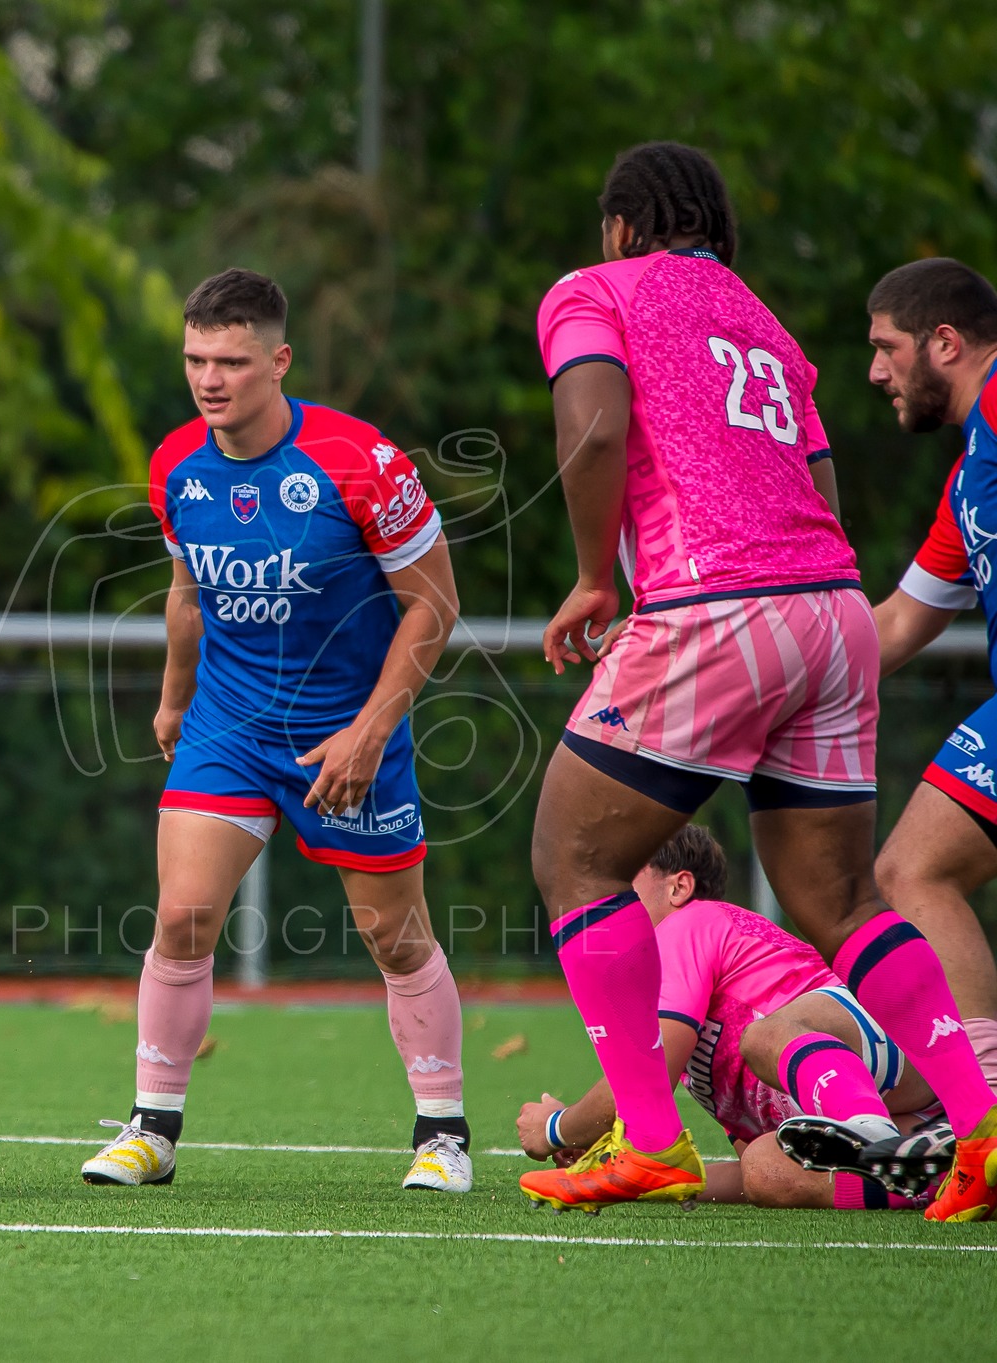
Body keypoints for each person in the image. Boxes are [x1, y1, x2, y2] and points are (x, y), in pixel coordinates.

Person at [521, 140, 997, 1221]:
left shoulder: (593, 288)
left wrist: (594, 578)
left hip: (713, 599)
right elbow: (817, 479)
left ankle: (652, 1143)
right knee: (840, 900)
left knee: (574, 859)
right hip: (832, 607)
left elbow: (593, 426)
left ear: (620, 226)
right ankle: (980, 1127)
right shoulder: (760, 320)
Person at [79, 267, 468, 1193]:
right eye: (195, 360)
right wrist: (174, 700)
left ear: (280, 360)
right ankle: (152, 1128)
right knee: (182, 915)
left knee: (395, 937)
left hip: (347, 731)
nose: (210, 380)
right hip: (229, 723)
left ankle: (443, 1133)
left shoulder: (360, 461)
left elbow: (435, 606)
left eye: (232, 362)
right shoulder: (176, 462)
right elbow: (186, 594)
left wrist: (370, 730)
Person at [517, 827, 936, 1212]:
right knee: (765, 1169)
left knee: (766, 1036)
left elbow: (644, 1077)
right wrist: (618, 1175)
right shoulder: (687, 1025)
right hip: (899, 1101)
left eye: (625, 877)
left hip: (899, 1045)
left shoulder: (686, 924)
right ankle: (935, 1172)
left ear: (679, 887)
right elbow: (745, 1158)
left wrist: (555, 1128)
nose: (608, 898)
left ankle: (871, 1132)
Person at [859, 258, 997, 1103]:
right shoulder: (970, 472)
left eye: (887, 347)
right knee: (913, 869)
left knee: (913, 870)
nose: (877, 371)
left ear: (944, 342)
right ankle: (984, 1109)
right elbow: (899, 624)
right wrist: (764, 675)